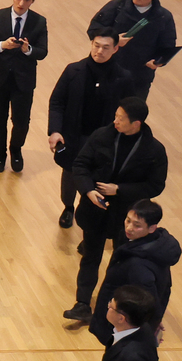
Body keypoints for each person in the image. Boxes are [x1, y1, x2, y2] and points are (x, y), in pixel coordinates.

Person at [67, 97, 168, 322]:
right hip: (95, 211)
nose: (116, 122)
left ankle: (110, 306)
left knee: (119, 264)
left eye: (121, 119)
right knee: (90, 257)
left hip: (126, 217)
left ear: (136, 124)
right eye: (116, 116)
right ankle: (82, 303)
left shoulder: (154, 150)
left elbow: (155, 185)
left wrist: (119, 190)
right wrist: (88, 191)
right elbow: (80, 165)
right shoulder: (101, 135)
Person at [47, 28, 134, 229]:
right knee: (70, 175)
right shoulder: (73, 70)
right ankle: (68, 208)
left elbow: (129, 109)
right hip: (74, 136)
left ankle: (88, 215)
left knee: (98, 180)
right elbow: (57, 102)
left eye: (105, 47)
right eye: (96, 45)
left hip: (104, 141)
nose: (99, 51)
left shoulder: (124, 78)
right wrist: (55, 130)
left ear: (115, 49)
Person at [87, 199, 180, 345]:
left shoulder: (139, 266)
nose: (129, 227)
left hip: (124, 328)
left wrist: (151, 324)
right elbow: (164, 288)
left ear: (152, 228)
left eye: (137, 225)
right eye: (128, 220)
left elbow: (149, 300)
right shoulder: (155, 246)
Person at [0, 0, 48, 173]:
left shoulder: (39, 21)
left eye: (26, 0)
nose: (21, 3)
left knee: (22, 120)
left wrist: (28, 50)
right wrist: (2, 45)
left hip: (23, 79)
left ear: (32, 1)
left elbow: (42, 52)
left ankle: (16, 150)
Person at [87, 0, 178, 100]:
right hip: (109, 71)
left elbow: (167, 45)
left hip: (139, 77)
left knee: (133, 115)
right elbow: (94, 30)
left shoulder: (163, 17)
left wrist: (158, 61)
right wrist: (115, 40)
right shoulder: (116, 7)